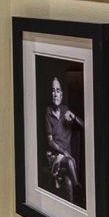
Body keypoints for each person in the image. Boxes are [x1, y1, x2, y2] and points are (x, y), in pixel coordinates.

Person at [42, 76, 83, 205]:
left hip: (67, 159)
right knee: (70, 162)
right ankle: (78, 188)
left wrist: (74, 117)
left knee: (68, 183)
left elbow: (84, 126)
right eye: (53, 90)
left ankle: (72, 208)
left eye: (58, 90)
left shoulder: (66, 110)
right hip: (55, 158)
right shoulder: (47, 113)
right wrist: (65, 153)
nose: (55, 94)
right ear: (50, 93)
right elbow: (49, 141)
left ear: (62, 94)